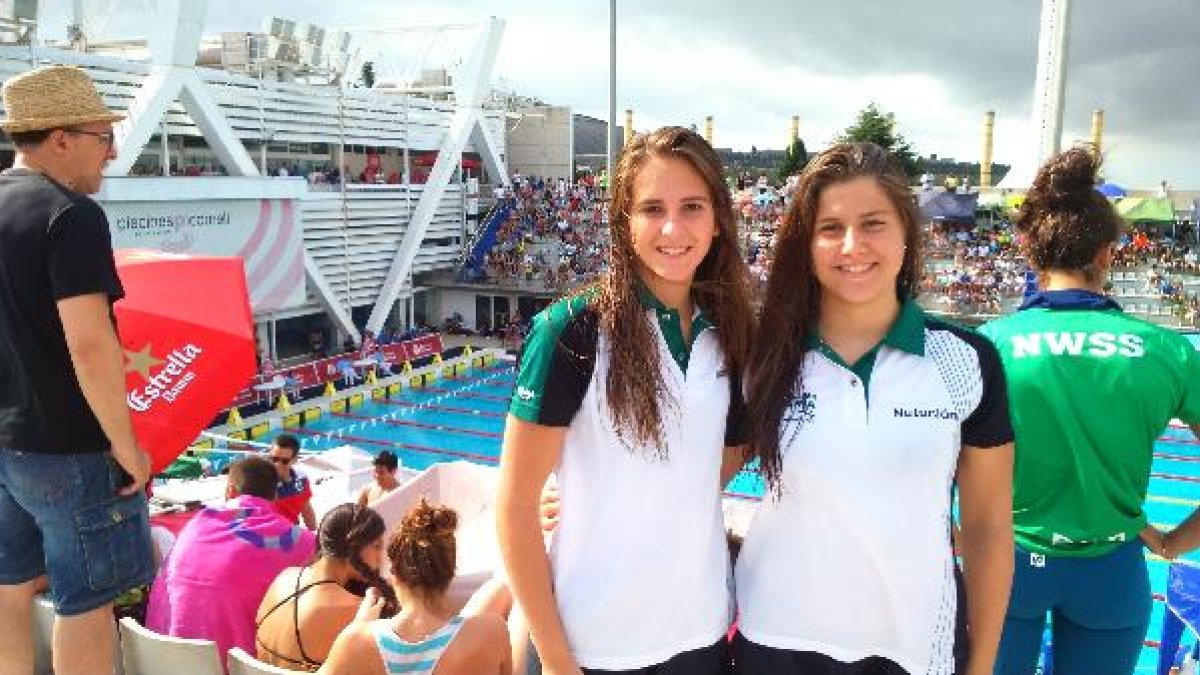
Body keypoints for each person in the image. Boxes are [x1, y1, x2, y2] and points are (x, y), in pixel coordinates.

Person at [737, 142, 1014, 675]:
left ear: (906, 234)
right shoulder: (762, 357)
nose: (851, 245)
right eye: (829, 228)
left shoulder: (965, 362)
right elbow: (691, 465)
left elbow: (987, 526)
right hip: (774, 641)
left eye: (873, 224)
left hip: (911, 648)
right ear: (806, 243)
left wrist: (980, 665)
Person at [497, 126, 755, 674]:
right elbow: (514, 506)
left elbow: (724, 458)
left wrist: (625, 493)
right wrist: (558, 661)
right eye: (652, 208)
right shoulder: (571, 333)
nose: (672, 228)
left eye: (692, 207)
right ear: (623, 219)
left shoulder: (730, 334)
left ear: (717, 220)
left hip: (702, 634)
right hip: (594, 646)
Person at [980, 148, 1200, 675]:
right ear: (1107, 253)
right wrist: (1175, 540)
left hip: (1007, 566)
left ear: (1032, 255)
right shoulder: (1168, 351)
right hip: (1112, 568)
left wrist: (959, 537)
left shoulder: (989, 345)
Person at [0, 65, 156, 675]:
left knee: (10, 583)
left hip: (5, 445)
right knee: (86, 601)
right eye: (102, 136)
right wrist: (128, 448)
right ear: (61, 138)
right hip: (69, 450)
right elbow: (90, 346)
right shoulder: (71, 215)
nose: (112, 152)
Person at [146, 456, 317, 660]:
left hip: (161, 654)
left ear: (230, 490)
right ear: (274, 497)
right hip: (231, 663)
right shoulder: (301, 541)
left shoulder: (199, 522)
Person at [320, 499, 513, 675]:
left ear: (395, 573)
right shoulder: (491, 632)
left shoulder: (356, 641)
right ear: (451, 571)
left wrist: (359, 625)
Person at [256, 504, 397, 671]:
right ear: (353, 546)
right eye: (377, 546)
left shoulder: (285, 577)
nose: (380, 558)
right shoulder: (357, 609)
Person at [271, 433, 317, 529]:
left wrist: (315, 535)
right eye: (274, 459)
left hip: (291, 531)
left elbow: (306, 510)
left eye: (284, 461)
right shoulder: (259, 478)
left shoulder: (301, 479)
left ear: (295, 460)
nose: (277, 465)